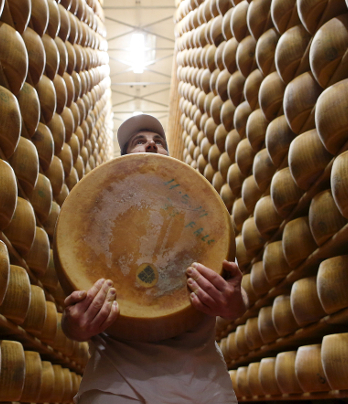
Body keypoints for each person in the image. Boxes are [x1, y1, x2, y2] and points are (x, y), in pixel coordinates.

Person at [62, 113, 247, 404]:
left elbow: (234, 298)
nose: (151, 145)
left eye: (159, 142)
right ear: (122, 160)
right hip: (115, 385)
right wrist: (75, 325)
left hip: (202, 386)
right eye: (140, 141)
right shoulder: (91, 218)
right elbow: (72, 312)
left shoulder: (203, 212)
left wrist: (234, 302)